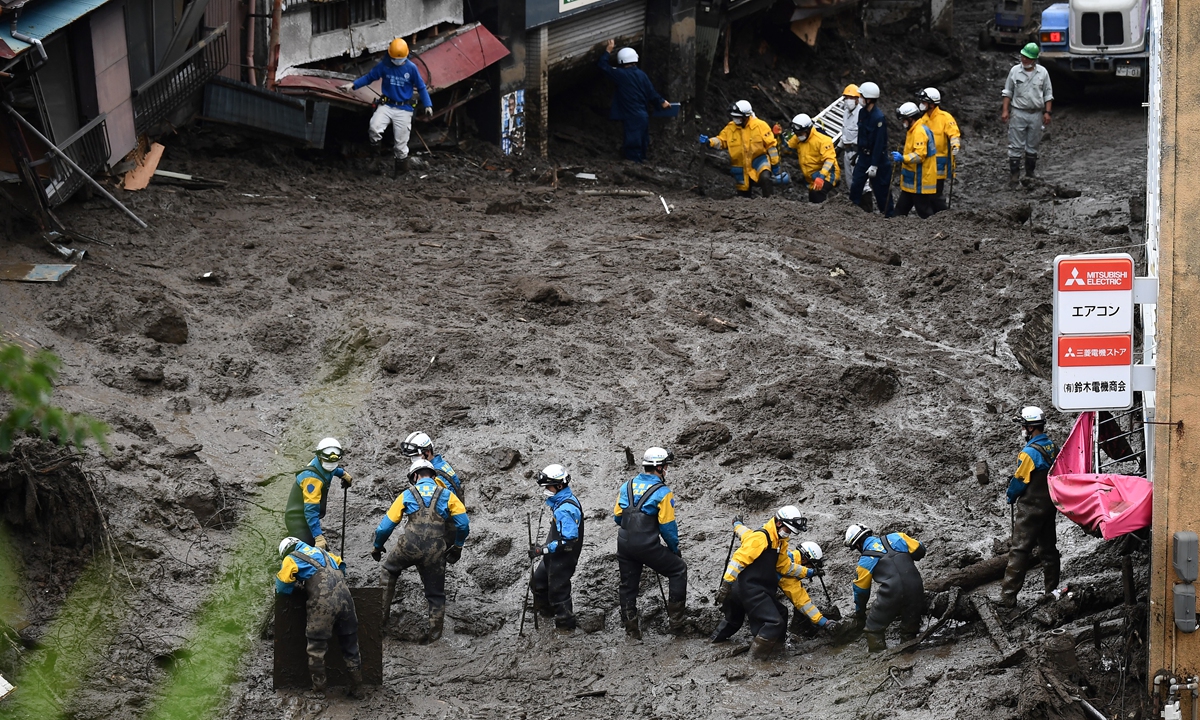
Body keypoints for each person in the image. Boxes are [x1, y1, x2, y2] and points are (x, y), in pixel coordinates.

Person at [372, 458, 469, 642]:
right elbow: (463, 524)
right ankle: (434, 636)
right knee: (435, 594)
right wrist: (457, 545)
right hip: (435, 550)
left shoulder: (407, 494)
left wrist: (377, 546)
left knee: (388, 571)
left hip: (408, 546)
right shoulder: (448, 495)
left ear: (415, 476)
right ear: (433, 476)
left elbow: (385, 527)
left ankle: (380, 621)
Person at [712, 516, 838, 644]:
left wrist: (737, 524)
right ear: (805, 560)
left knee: (732, 621)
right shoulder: (787, 572)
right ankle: (764, 652)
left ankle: (713, 642)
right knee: (775, 620)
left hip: (734, 587)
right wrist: (823, 622)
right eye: (811, 565)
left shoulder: (765, 539)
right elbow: (803, 602)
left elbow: (744, 532)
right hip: (752, 593)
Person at [713, 507, 809, 659]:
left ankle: (775, 649)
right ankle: (755, 660)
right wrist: (725, 585)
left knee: (778, 613)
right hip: (749, 589)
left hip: (754, 589)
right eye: (788, 530)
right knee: (774, 623)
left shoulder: (779, 542)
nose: (788, 533)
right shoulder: (761, 538)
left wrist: (807, 572)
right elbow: (738, 560)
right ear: (778, 523)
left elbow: (784, 566)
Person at [614, 447, 688, 638]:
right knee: (678, 569)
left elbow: (617, 517)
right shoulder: (663, 492)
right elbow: (667, 527)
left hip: (624, 543)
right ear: (660, 468)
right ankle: (677, 626)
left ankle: (632, 631)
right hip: (647, 545)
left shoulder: (626, 486)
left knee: (628, 586)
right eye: (666, 466)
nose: (667, 470)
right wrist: (674, 549)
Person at [276, 536, 361, 696]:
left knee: (316, 647)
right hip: (346, 599)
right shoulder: (324, 553)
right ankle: (357, 689)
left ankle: (319, 690)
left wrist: (299, 587)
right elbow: (342, 566)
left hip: (323, 604)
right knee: (350, 645)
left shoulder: (291, 558)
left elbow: (282, 587)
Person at [339, 38, 433, 178]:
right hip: (387, 105)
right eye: (395, 58)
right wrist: (353, 85)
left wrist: (428, 104)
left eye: (400, 59)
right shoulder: (385, 65)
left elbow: (421, 87)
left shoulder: (411, 68)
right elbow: (369, 77)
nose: (397, 61)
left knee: (400, 144)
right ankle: (375, 160)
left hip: (404, 108)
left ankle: (400, 172)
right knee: (374, 127)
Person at [1001, 406, 1061, 608]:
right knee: (1048, 549)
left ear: (1031, 428)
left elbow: (1020, 481)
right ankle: (1051, 590)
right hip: (1049, 506)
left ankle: (1008, 597)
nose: (1022, 430)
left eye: (1024, 426)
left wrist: (1010, 494)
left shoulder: (1028, 453)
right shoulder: (1052, 446)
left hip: (1030, 508)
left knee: (1019, 550)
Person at [844, 523, 926, 652]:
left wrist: (860, 612)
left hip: (891, 592)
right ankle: (909, 654)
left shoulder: (865, 561)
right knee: (910, 627)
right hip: (916, 586)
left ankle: (879, 658)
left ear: (857, 545)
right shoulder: (898, 537)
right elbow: (920, 550)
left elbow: (861, 592)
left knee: (873, 628)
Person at [529, 464, 585, 631]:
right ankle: (546, 615)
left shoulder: (565, 509)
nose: (546, 489)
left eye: (548, 486)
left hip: (563, 558)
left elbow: (568, 542)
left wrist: (542, 550)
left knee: (558, 593)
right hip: (552, 557)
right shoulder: (560, 502)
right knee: (538, 583)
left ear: (559, 486)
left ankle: (565, 627)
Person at [597, 39, 671, 162]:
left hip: (631, 115)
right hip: (643, 115)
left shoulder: (620, 75)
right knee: (643, 140)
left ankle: (634, 165)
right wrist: (662, 102)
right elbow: (651, 93)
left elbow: (603, 66)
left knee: (633, 142)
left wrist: (608, 50)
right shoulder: (642, 75)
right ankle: (642, 161)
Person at [699, 101, 781, 198]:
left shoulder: (760, 126)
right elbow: (722, 140)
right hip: (740, 165)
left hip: (758, 160)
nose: (736, 119)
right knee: (743, 194)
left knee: (765, 177)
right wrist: (710, 142)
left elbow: (771, 146)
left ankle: (770, 202)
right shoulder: (730, 128)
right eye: (734, 117)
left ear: (746, 116)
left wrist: (775, 165)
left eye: (738, 117)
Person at [1001, 43, 1054, 187]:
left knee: (1033, 144)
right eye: (1023, 56)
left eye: (1027, 58)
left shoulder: (1042, 73)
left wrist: (1047, 112)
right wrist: (1005, 110)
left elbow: (1048, 94)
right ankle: (1014, 176)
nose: (1023, 59)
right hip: (1018, 112)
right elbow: (1008, 92)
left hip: (1036, 114)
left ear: (1034, 59)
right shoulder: (1014, 71)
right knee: (1015, 144)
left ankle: (1030, 173)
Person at [285, 437, 353, 548]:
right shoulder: (312, 479)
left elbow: (331, 469)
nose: (331, 464)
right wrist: (318, 537)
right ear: (319, 456)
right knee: (308, 551)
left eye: (334, 462)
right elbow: (311, 511)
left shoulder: (323, 463)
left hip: (306, 516)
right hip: (298, 520)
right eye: (327, 461)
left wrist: (342, 473)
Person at [848, 81, 893, 215]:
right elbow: (861, 135)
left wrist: (874, 164)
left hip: (877, 158)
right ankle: (849, 212)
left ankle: (888, 215)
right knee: (856, 185)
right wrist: (858, 153)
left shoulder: (878, 118)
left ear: (868, 99)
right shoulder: (862, 113)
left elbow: (879, 143)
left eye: (861, 96)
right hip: (863, 156)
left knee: (881, 190)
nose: (859, 99)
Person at [890, 102, 939, 219]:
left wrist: (903, 158)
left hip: (919, 180)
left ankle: (934, 230)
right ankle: (894, 227)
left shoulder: (919, 132)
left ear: (910, 118)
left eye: (904, 120)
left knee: (924, 212)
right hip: (913, 181)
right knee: (900, 210)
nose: (903, 123)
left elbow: (920, 155)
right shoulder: (915, 129)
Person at [917, 87, 961, 209]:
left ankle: (942, 214)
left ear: (931, 104)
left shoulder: (945, 118)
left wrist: (955, 145)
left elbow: (954, 133)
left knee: (936, 193)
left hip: (940, 162)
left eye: (924, 102)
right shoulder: (923, 119)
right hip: (927, 161)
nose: (921, 104)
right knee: (927, 193)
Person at [785, 113, 838, 204]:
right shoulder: (797, 138)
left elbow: (829, 160)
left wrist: (821, 177)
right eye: (797, 134)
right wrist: (779, 138)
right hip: (811, 176)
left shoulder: (823, 140)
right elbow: (787, 149)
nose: (799, 136)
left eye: (801, 133)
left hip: (828, 173)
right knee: (813, 198)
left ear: (808, 130)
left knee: (817, 193)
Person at [400, 431, 465, 502]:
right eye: (411, 456)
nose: (413, 460)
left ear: (427, 451)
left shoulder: (434, 473)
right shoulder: (441, 463)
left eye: (416, 456)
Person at [837, 84, 863, 183]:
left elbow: (866, 136)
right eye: (846, 97)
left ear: (857, 99)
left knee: (861, 183)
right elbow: (845, 132)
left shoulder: (861, 114)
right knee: (849, 181)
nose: (848, 100)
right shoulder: (846, 112)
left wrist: (859, 154)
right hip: (847, 151)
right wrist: (839, 147)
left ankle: (864, 198)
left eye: (851, 98)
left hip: (857, 152)